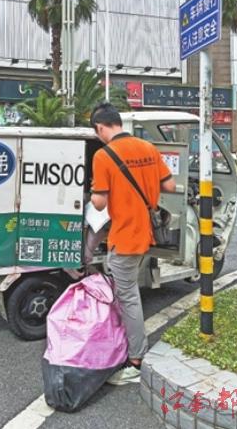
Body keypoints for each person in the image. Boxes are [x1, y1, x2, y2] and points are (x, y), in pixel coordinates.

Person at [90, 103, 176, 385]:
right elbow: (170, 186)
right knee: (128, 294)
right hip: (146, 233)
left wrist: (93, 191)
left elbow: (99, 202)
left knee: (128, 298)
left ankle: (136, 360)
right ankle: (127, 344)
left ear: (100, 127)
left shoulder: (103, 156)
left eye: (97, 132)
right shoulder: (148, 147)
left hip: (124, 237)